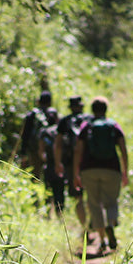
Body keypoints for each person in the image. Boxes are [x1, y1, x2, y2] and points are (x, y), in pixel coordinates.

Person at [72, 97, 128, 255]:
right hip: (112, 169)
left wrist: (76, 172)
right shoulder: (113, 125)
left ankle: (102, 240)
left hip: (89, 169)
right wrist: (125, 171)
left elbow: (78, 150)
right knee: (111, 201)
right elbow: (123, 149)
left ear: (92, 109)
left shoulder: (86, 126)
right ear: (106, 109)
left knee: (94, 203)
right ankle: (110, 224)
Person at [55, 95, 89, 230]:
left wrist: (58, 162)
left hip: (71, 163)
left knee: (78, 197)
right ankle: (94, 225)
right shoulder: (89, 120)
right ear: (81, 106)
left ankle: (85, 228)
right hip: (90, 162)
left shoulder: (64, 122)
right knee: (92, 196)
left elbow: (58, 144)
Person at [11, 90, 52, 179]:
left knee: (35, 174)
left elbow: (25, 134)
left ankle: (36, 189)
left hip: (34, 148)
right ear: (50, 102)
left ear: (39, 101)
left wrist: (23, 152)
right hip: (49, 150)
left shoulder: (32, 115)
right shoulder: (52, 114)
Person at [37, 107, 65, 215]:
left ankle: (48, 213)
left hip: (49, 165)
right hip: (61, 164)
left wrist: (46, 160)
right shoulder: (60, 131)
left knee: (48, 190)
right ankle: (60, 214)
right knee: (60, 191)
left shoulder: (43, 132)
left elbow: (41, 151)